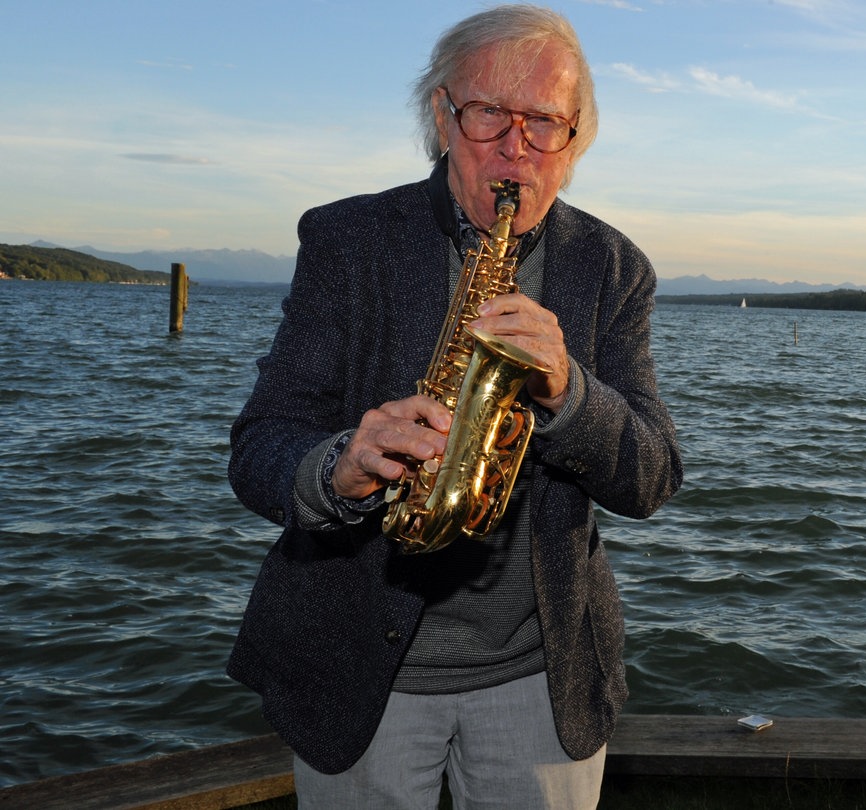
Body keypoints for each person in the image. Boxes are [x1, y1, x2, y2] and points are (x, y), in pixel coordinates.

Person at [225, 5, 683, 808]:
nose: (515, 147)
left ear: (574, 141)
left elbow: (652, 476)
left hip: (539, 679)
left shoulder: (616, 268)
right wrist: (341, 467)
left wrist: (567, 390)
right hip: (357, 668)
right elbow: (260, 445)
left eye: (544, 122)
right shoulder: (347, 240)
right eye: (488, 114)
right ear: (441, 116)